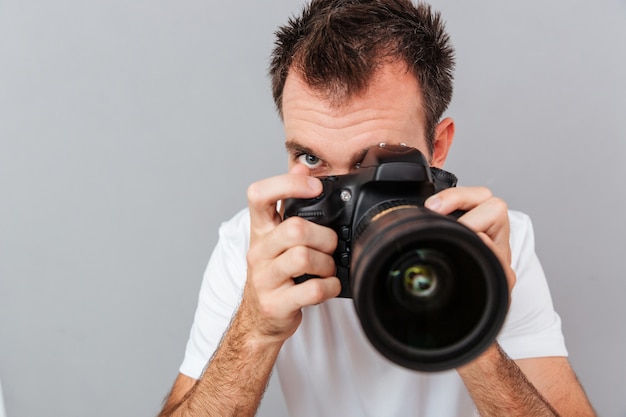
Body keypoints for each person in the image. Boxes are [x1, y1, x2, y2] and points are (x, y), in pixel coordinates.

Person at [159, 1, 596, 416]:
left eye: (379, 162)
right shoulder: (255, 247)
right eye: (311, 159)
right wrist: (254, 329)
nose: (350, 195)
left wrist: (472, 314)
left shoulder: (490, 243)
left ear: (437, 146)